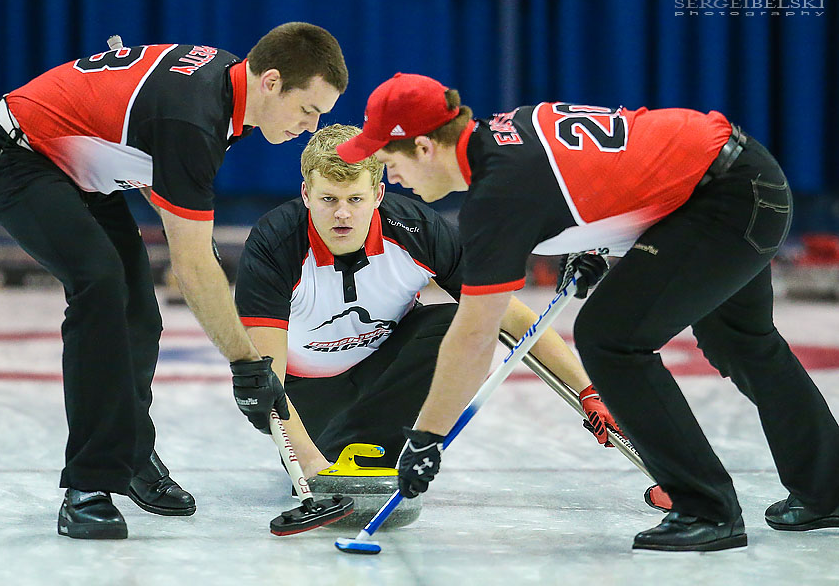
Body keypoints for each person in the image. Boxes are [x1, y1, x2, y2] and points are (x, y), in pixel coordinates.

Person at [336, 73, 839, 552]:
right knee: (740, 339)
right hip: (744, 178)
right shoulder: (509, 130)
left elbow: (474, 334)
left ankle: (706, 510)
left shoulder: (497, 198)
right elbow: (608, 167)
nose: (390, 176)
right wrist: (598, 239)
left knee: (609, 337)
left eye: (387, 160)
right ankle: (827, 491)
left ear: (424, 147)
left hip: (725, 200)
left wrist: (426, 438)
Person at [0, 22, 347, 540]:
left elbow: (150, 156)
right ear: (272, 82)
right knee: (100, 285)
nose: (310, 124)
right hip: (17, 156)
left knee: (139, 314)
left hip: (82, 168)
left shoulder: (228, 85)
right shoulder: (194, 119)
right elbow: (190, 266)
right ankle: (89, 485)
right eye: (309, 110)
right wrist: (246, 364)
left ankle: (130, 451)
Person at [234, 123, 621, 481]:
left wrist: (588, 390)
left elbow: (511, 316)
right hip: (308, 393)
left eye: (355, 198)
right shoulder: (275, 243)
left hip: (387, 375)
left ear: (378, 194)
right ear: (306, 194)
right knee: (315, 451)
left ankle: (372, 447)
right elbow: (265, 374)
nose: (342, 214)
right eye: (328, 199)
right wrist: (312, 467)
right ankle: (336, 449)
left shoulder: (418, 230)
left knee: (466, 320)